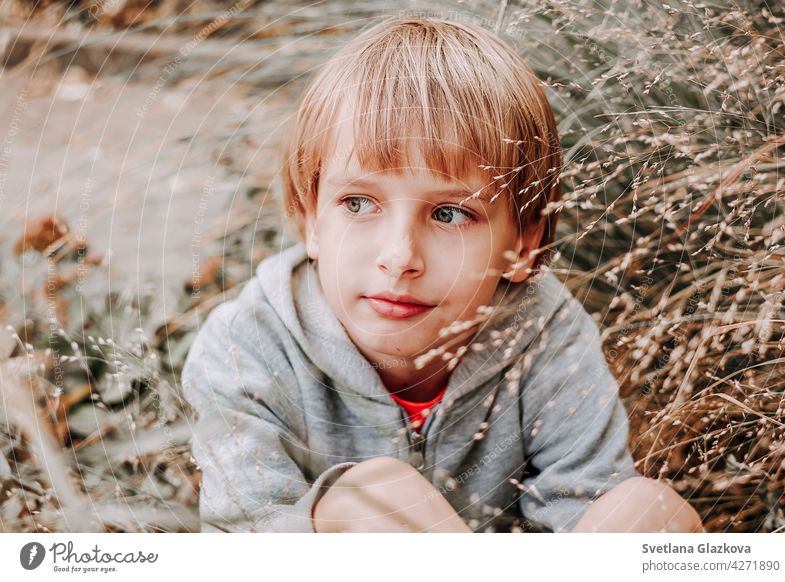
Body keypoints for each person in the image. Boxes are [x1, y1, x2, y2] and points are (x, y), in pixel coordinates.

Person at [181, 16, 703, 533]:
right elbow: (248, 539)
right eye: (359, 203)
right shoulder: (246, 346)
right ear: (312, 219)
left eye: (450, 214)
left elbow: (582, 516)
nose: (399, 256)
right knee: (374, 499)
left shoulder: (544, 336)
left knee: (644, 512)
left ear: (521, 243)